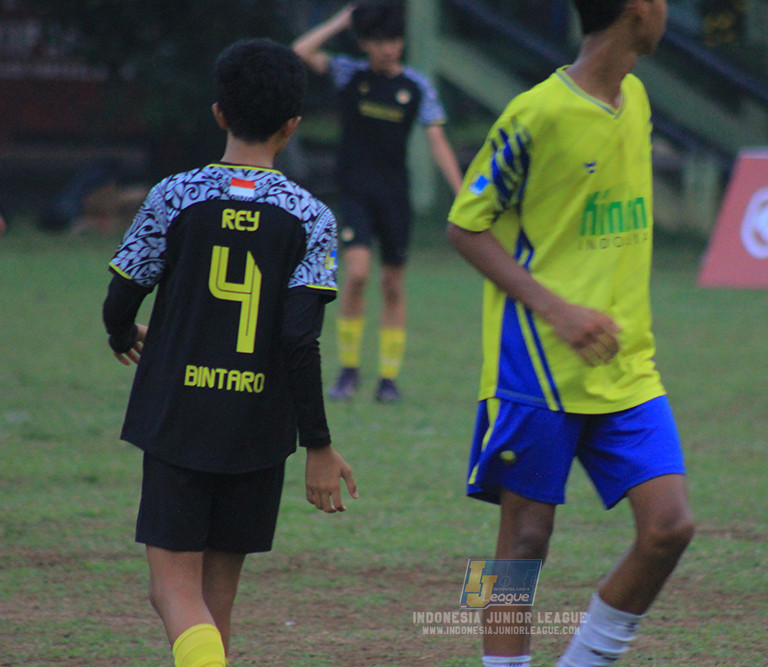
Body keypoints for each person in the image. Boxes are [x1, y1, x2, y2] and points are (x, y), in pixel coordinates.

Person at [445, 1, 695, 666]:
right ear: (638, 11)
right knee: (523, 538)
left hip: (628, 365)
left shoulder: (635, 97)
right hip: (536, 361)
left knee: (669, 526)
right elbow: (465, 226)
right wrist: (557, 309)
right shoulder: (536, 112)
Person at [102, 38, 358, 667]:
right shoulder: (312, 216)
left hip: (178, 415)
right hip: (258, 427)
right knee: (217, 602)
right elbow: (300, 340)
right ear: (293, 126)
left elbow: (120, 297)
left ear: (219, 113)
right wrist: (318, 445)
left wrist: (120, 333)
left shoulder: (174, 195)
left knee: (173, 591)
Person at [293, 0, 464, 403]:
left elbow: (437, 139)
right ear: (365, 43)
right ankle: (348, 371)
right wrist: (341, 20)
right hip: (355, 193)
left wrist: (462, 195)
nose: (388, 48)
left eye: (394, 39)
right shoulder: (348, 75)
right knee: (356, 274)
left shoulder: (416, 86)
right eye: (379, 40)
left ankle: (388, 379)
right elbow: (301, 52)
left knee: (392, 284)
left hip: (394, 197)